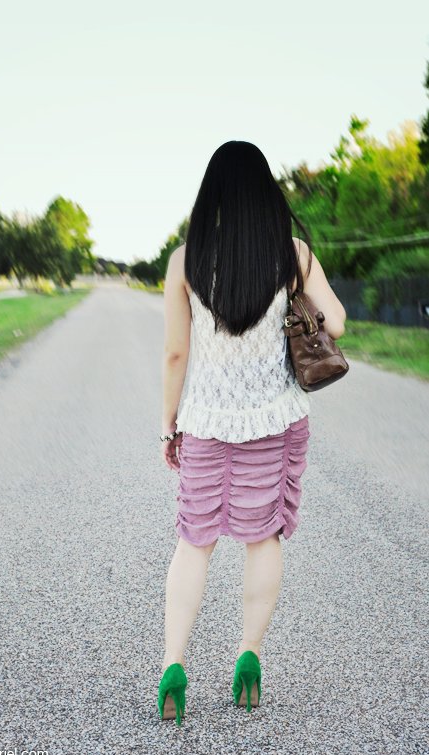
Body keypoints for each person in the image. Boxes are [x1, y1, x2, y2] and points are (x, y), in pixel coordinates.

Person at [158, 140, 347, 725]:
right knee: (262, 540)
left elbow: (174, 355)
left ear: (212, 196)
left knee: (195, 542)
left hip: (208, 423)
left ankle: (173, 665)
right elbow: (337, 323)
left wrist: (170, 426)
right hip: (274, 418)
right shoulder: (291, 255)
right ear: (266, 193)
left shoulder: (185, 262)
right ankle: (249, 658)